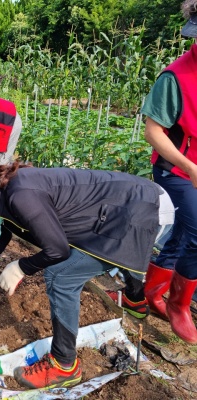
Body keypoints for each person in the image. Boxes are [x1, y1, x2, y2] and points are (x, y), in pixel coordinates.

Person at [0, 160, 174, 389]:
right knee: (86, 258)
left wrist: (21, 267)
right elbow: (4, 228)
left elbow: (57, 250)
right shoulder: (2, 192)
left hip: (140, 211)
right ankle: (134, 299)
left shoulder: (21, 196)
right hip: (129, 202)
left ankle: (64, 366)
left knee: (61, 276)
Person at [141, 0, 197, 344]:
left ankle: (153, 290)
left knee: (184, 233)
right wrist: (190, 166)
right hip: (176, 168)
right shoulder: (175, 77)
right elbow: (153, 131)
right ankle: (179, 304)